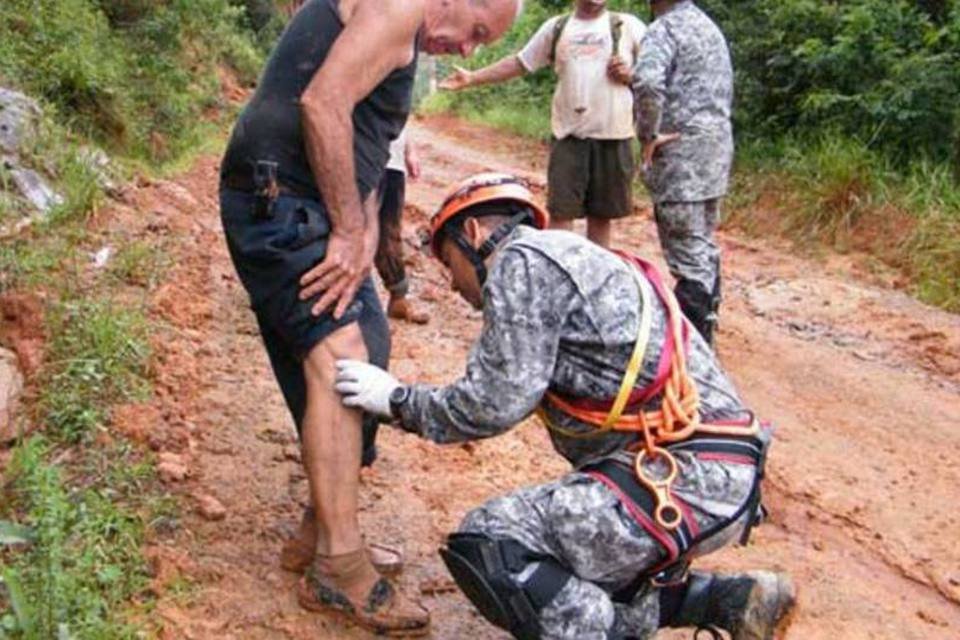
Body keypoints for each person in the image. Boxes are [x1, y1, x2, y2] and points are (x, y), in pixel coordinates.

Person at [334, 173, 796, 639]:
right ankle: (723, 599)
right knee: (572, 568)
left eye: (448, 262)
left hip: (681, 483)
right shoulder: (570, 257)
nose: (453, 284)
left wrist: (396, 400)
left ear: (473, 234)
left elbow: (494, 402)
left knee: (493, 544)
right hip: (707, 476)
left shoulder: (521, 261)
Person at [217, 0, 523, 634]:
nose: (468, 50)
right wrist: (348, 227)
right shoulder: (401, 5)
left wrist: (360, 231)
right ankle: (338, 564)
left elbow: (365, 136)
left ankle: (322, 527)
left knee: (371, 343)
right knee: (343, 355)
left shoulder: (406, 25)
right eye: (475, 32)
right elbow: (323, 102)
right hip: (277, 193)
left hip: (301, 195)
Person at [440, 0, 646, 248]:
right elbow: (520, 63)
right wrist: (473, 78)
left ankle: (594, 278)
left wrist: (632, 76)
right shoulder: (557, 28)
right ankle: (556, 273)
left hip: (614, 135)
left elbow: (656, 78)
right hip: (569, 136)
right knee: (561, 215)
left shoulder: (629, 26)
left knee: (601, 218)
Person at [631, 0, 733, 347]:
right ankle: (707, 328)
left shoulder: (664, 29)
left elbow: (646, 83)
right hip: (715, 150)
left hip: (681, 155)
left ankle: (695, 353)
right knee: (703, 242)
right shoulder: (709, 28)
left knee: (687, 253)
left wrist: (647, 135)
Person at [376, 127, 430, 324]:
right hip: (364, 156)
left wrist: (409, 151)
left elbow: (401, 116)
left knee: (389, 232)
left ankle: (398, 298)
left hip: (393, 164)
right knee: (357, 229)